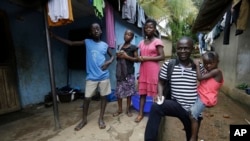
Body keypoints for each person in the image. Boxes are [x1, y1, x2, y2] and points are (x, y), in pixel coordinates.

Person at [50, 23, 114, 131]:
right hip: (91, 77)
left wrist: (109, 61)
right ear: (90, 33)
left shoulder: (105, 45)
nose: (96, 31)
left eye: (98, 29)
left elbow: (112, 56)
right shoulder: (87, 42)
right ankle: (84, 120)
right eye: (93, 29)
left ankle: (101, 119)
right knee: (87, 98)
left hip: (104, 76)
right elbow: (71, 43)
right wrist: (55, 36)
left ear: (101, 31)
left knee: (104, 97)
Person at [144, 36, 204, 141]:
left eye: (186, 48)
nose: (183, 51)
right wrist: (160, 95)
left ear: (192, 49)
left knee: (192, 137)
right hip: (177, 104)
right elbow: (161, 82)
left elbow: (207, 83)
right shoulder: (169, 64)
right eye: (180, 48)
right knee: (156, 107)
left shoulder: (197, 66)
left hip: (193, 109)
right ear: (176, 49)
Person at [135, 18, 165, 123]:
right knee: (142, 93)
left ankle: (155, 115)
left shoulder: (157, 41)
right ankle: (140, 114)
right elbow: (139, 56)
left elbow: (162, 57)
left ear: (154, 29)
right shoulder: (141, 42)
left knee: (154, 93)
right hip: (143, 70)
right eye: (146, 27)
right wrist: (137, 58)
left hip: (153, 70)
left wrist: (146, 58)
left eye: (151, 27)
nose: (148, 29)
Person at [189, 51, 224, 141]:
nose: (208, 66)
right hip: (200, 94)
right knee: (192, 112)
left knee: (193, 115)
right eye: (206, 63)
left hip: (205, 98)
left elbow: (200, 78)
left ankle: (193, 137)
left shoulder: (216, 71)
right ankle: (192, 127)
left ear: (217, 62)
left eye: (211, 63)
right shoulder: (209, 70)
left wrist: (197, 65)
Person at [113, 29, 138, 117]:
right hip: (120, 73)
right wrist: (118, 56)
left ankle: (127, 109)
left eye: (129, 35)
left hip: (129, 73)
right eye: (125, 34)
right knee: (119, 92)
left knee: (129, 92)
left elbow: (137, 59)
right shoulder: (120, 46)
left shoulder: (134, 47)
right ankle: (120, 109)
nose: (126, 36)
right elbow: (117, 59)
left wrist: (126, 56)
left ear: (132, 37)